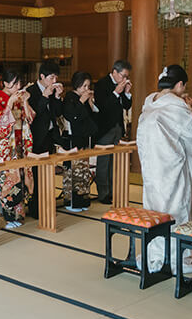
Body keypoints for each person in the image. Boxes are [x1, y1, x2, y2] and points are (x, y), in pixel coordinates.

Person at [136, 64, 192, 273]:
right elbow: (191, 134)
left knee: (155, 210)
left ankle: (156, 251)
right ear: (179, 84)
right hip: (172, 169)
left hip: (152, 168)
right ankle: (176, 255)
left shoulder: (150, 103)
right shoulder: (176, 105)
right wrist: (189, 108)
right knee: (176, 210)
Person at [0, 69, 34, 228]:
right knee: (7, 179)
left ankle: (18, 214)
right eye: (14, 83)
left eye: (19, 83)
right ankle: (5, 215)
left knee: (19, 177)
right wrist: (9, 103)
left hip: (19, 144)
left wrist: (25, 101)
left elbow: (29, 118)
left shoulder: (19, 98)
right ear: (6, 83)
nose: (18, 86)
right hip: (6, 147)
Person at [93, 60, 132, 205]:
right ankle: (103, 193)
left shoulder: (121, 85)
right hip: (104, 128)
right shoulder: (102, 84)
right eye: (123, 76)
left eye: (127, 77)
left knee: (114, 162)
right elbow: (103, 107)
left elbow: (126, 106)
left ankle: (112, 191)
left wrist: (126, 93)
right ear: (114, 72)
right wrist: (116, 92)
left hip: (117, 127)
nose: (124, 79)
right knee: (104, 162)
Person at [26, 60, 64, 209]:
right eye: (51, 78)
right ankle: (35, 208)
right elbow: (32, 115)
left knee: (48, 173)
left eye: (56, 78)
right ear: (42, 76)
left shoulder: (53, 90)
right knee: (36, 174)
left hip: (49, 136)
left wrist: (57, 97)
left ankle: (47, 205)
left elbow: (58, 113)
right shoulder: (31, 91)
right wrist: (44, 97)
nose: (54, 81)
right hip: (36, 137)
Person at [62, 71, 98, 212]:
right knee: (73, 170)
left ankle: (83, 199)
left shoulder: (82, 98)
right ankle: (71, 201)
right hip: (72, 139)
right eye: (84, 86)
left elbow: (91, 118)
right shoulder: (70, 98)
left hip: (83, 138)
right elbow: (72, 116)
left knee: (83, 170)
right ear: (77, 86)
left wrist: (89, 102)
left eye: (88, 86)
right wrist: (82, 101)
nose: (86, 89)